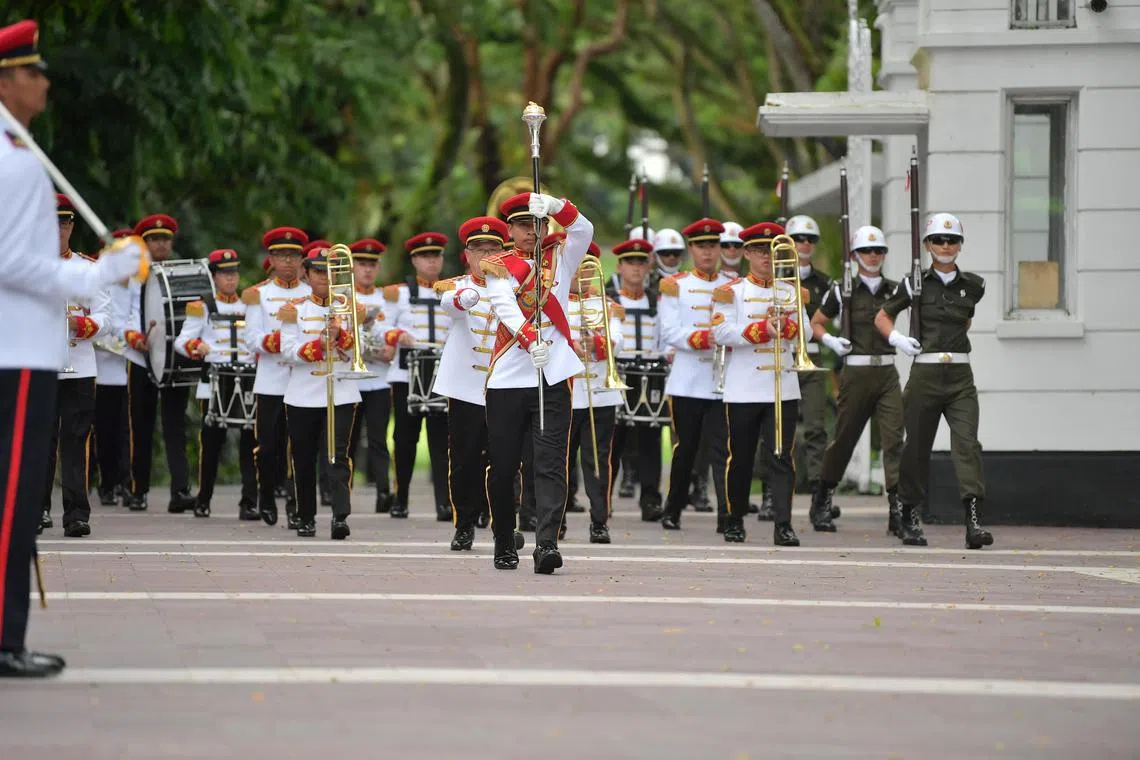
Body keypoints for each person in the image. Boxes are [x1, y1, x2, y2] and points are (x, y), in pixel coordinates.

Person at [0, 17, 143, 676]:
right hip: (21, 350)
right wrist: (103, 272)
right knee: (16, 498)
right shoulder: (16, 165)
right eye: (35, 72)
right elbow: (16, 265)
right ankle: (6, 639)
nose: (46, 83)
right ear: (10, 81)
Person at [480, 191, 593, 573]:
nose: (532, 231)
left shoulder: (561, 256)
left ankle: (546, 544)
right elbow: (505, 307)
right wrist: (530, 341)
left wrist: (557, 206)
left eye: (538, 223)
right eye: (524, 224)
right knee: (504, 463)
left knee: (550, 463)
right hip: (510, 376)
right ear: (510, 229)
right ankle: (503, 540)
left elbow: (584, 227)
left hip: (553, 374)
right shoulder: (497, 265)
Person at [875, 213, 994, 550]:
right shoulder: (913, 282)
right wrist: (898, 339)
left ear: (960, 246)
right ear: (927, 245)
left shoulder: (974, 285)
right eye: (939, 240)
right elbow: (882, 316)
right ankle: (910, 515)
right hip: (925, 374)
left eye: (952, 240)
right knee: (916, 448)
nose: (945, 246)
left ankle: (973, 522)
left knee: (967, 444)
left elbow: (964, 322)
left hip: (960, 376)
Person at [711, 222, 805, 546]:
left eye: (771, 251)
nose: (766, 257)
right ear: (747, 252)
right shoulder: (731, 291)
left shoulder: (792, 291)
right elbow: (720, 333)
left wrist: (789, 326)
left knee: (781, 456)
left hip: (783, 385)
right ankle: (734, 518)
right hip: (744, 387)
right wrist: (762, 329)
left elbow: (803, 331)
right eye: (759, 250)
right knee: (741, 458)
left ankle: (783, 523)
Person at [809, 225, 904, 534]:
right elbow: (817, 323)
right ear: (854, 255)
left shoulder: (896, 289)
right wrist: (832, 342)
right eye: (866, 250)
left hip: (887, 371)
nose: (873, 256)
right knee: (844, 439)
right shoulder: (842, 289)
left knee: (893, 441)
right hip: (856, 371)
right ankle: (822, 498)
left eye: (878, 251)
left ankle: (898, 510)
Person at [434, 216, 512, 550]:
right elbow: (448, 304)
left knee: (504, 459)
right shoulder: (455, 286)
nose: (486, 256)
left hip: (504, 383)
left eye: (493, 249)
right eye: (479, 249)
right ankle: (464, 524)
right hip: (466, 383)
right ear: (467, 255)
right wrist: (462, 298)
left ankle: (502, 526)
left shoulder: (514, 285)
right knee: (464, 458)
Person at [278, 247, 363, 539]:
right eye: (317, 272)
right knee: (302, 457)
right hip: (303, 393)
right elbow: (286, 351)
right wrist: (317, 346)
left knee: (337, 456)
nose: (324, 278)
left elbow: (357, 349)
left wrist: (342, 336)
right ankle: (305, 516)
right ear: (307, 274)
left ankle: (340, 516)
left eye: (329, 272)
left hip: (340, 391)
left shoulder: (347, 307)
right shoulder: (294, 309)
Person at [41, 194, 111, 537]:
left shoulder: (88, 268)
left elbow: (106, 315)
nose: (58, 230)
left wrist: (83, 326)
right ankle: (37, 507)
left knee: (76, 438)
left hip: (79, 365)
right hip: (38, 365)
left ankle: (76, 513)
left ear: (71, 226)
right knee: (40, 438)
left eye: (64, 223)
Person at [657, 218, 734, 532]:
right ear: (690, 249)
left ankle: (727, 516)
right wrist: (704, 338)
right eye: (701, 246)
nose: (707, 251)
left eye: (712, 245)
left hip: (723, 381)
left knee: (723, 451)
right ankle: (673, 508)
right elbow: (669, 331)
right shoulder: (676, 284)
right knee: (685, 449)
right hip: (687, 380)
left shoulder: (732, 285)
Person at [119, 213, 196, 513]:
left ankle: (180, 491)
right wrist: (133, 336)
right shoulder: (133, 277)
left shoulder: (182, 273)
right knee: (141, 425)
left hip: (174, 358)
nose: (161, 244)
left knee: (176, 425)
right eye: (154, 239)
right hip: (140, 359)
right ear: (144, 242)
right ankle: (138, 489)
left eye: (165, 239)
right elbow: (122, 314)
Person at [173, 248, 258, 519]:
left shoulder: (250, 305)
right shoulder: (203, 306)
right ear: (214, 276)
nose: (231, 279)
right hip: (214, 377)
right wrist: (198, 346)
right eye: (224, 273)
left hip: (247, 378)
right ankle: (204, 498)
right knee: (211, 442)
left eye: (234, 272)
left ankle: (249, 502)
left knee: (250, 442)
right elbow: (180, 341)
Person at [243, 226, 311, 528]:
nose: (288, 261)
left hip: (303, 380)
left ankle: (297, 506)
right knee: (268, 446)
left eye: (294, 255)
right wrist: (284, 342)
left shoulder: (312, 294)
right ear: (271, 258)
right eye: (282, 255)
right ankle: (267, 497)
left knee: (300, 445)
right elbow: (251, 338)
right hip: (270, 380)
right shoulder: (259, 295)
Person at [381, 233, 451, 520]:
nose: (432, 261)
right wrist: (398, 335)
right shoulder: (396, 294)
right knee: (405, 439)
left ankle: (444, 503)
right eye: (425, 256)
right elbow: (379, 328)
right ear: (414, 260)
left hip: (441, 374)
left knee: (441, 440)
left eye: (436, 256)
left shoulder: (451, 291)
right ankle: (401, 497)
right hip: (405, 373)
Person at [563, 237, 621, 543]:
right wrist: (573, 345)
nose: (580, 275)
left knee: (598, 461)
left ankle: (599, 521)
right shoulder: (554, 302)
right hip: (566, 394)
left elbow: (618, 340)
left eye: (586, 269)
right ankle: (555, 519)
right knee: (560, 460)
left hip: (600, 392)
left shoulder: (607, 306)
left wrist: (596, 343)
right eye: (575, 268)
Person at [608, 238, 664, 522]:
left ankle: (651, 499)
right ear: (619, 265)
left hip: (649, 375)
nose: (636, 268)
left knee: (650, 439)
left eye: (641, 262)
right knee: (613, 439)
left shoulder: (657, 299)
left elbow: (665, 335)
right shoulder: (607, 297)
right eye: (630, 262)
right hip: (617, 373)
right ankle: (603, 497)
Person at [345, 238, 395, 513]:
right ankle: (342, 491)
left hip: (378, 379)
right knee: (348, 439)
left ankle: (384, 491)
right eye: (362, 263)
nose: (367, 269)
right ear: (352, 266)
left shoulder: (386, 298)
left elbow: (393, 333)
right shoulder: (343, 297)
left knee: (378, 438)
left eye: (372, 264)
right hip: (351, 379)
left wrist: (385, 349)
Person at [93, 227, 134, 507]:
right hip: (103, 367)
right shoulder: (97, 282)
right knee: (104, 430)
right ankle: (106, 483)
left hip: (132, 367)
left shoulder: (139, 285)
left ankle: (127, 482)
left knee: (128, 431)